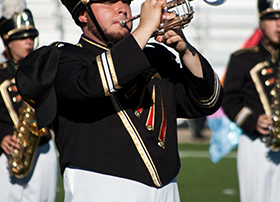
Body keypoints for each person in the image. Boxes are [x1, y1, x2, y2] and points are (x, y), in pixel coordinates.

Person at [16, 0, 223, 201]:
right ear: (83, 14)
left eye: (125, 1)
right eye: (108, 2)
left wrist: (185, 51)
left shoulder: (153, 58)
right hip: (102, 188)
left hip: (168, 188)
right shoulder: (63, 59)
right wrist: (145, 28)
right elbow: (95, 83)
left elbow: (207, 101)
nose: (122, 9)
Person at [222, 1, 280, 202]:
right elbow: (229, 100)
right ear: (261, 22)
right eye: (272, 18)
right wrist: (253, 120)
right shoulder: (242, 59)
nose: (279, 24)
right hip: (256, 144)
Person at [0, 1, 58, 201]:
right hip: (8, 154)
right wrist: (1, 138)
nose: (29, 42)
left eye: (32, 37)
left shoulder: (41, 70)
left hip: (42, 149)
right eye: (22, 37)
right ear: (8, 41)